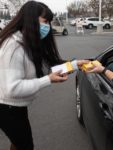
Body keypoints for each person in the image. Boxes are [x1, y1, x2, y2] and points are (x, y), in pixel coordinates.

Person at [0, 1, 88, 150]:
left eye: (49, 22)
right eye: (45, 21)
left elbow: (50, 65)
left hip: (16, 106)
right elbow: (12, 89)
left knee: (20, 142)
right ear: (30, 20)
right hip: (6, 108)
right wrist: (48, 80)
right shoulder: (12, 46)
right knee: (25, 145)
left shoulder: (27, 41)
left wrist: (75, 64)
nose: (47, 26)